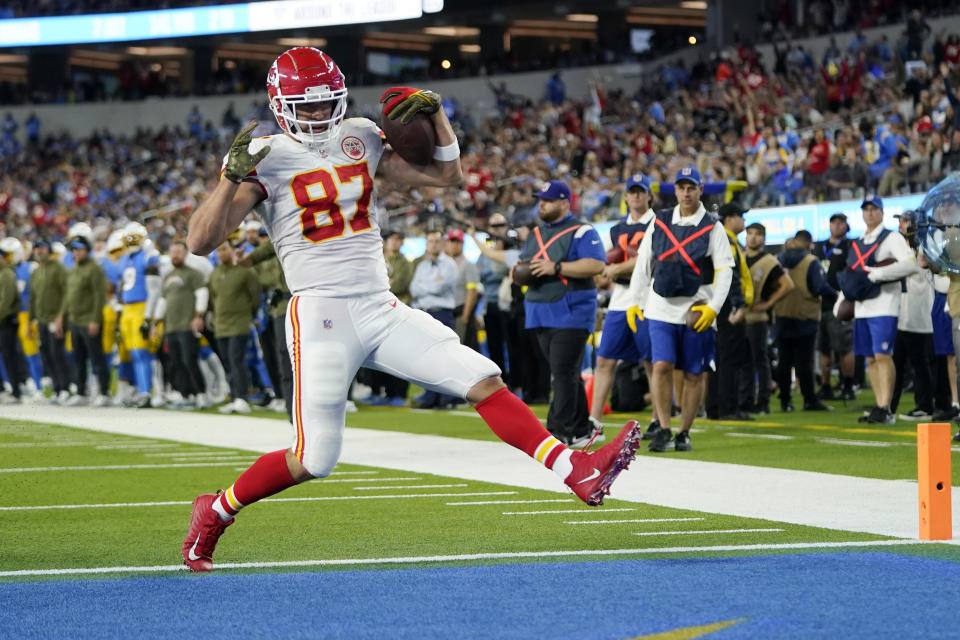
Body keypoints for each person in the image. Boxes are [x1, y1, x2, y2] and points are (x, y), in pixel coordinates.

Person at [181, 47, 642, 572]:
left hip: (380, 304)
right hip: (322, 314)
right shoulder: (265, 154)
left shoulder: (358, 133)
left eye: (325, 103)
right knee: (314, 459)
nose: (316, 114)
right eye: (304, 107)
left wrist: (438, 115)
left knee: (481, 377)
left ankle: (575, 470)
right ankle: (215, 511)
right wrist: (227, 179)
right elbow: (200, 241)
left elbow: (446, 177)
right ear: (280, 104)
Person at [626, 166, 734, 452]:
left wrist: (714, 308)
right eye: (681, 187)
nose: (686, 193)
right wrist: (634, 302)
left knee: (694, 373)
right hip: (660, 307)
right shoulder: (660, 221)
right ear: (675, 191)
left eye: (692, 187)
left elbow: (725, 270)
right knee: (661, 366)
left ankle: (684, 430)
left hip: (696, 307)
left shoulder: (714, 226)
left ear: (700, 190)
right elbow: (644, 263)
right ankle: (663, 427)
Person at [516, 179, 606, 446]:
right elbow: (524, 263)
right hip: (539, 309)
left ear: (565, 203)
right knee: (567, 371)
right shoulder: (535, 234)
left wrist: (556, 268)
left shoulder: (582, 231)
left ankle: (557, 430)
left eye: (548, 200)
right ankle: (580, 428)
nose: (541, 205)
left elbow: (596, 264)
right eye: (540, 200)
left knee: (562, 371)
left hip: (572, 309)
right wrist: (518, 272)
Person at [835, 196, 918, 424]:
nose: (870, 213)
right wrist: (841, 300)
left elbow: (910, 264)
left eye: (874, 209)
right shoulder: (858, 241)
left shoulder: (891, 237)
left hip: (884, 304)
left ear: (881, 212)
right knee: (870, 358)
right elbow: (854, 274)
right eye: (866, 209)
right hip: (862, 306)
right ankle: (879, 405)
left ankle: (886, 407)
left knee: (882, 355)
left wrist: (879, 274)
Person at [590, 174, 657, 435]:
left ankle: (657, 419)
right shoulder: (617, 229)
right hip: (620, 299)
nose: (637, 196)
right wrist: (608, 270)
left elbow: (644, 259)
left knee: (652, 362)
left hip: (648, 299)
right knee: (605, 359)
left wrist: (612, 268)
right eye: (632, 191)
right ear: (626, 196)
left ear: (649, 195)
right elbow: (601, 263)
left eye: (641, 191)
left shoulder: (658, 223)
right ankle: (594, 421)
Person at [774, 231, 836, 413]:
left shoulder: (778, 259)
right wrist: (837, 295)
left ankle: (785, 400)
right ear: (809, 244)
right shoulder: (811, 261)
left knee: (784, 361)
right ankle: (809, 400)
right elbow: (819, 286)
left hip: (782, 313)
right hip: (805, 315)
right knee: (804, 361)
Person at [707, 201, 754, 421]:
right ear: (729, 219)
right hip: (727, 305)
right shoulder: (726, 240)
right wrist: (738, 304)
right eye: (740, 216)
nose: (743, 220)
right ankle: (728, 408)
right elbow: (731, 276)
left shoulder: (726, 239)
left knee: (720, 357)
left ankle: (716, 406)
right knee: (729, 359)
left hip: (718, 303)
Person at [889, 211, 936, 420]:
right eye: (900, 221)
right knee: (896, 363)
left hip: (918, 313)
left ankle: (925, 406)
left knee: (919, 363)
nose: (901, 224)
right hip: (903, 312)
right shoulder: (901, 245)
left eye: (905, 221)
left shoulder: (925, 245)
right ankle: (887, 406)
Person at [742, 222, 793, 414]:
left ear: (764, 238)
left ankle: (763, 401)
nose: (753, 237)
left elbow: (787, 285)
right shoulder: (741, 256)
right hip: (742, 317)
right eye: (750, 233)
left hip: (758, 317)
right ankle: (745, 400)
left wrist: (768, 303)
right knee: (745, 361)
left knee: (760, 360)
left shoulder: (769, 261)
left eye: (757, 234)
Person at [208, 240, 261, 414]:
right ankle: (234, 397)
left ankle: (242, 398)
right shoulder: (215, 273)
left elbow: (255, 296)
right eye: (218, 250)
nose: (221, 253)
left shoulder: (244, 271)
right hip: (220, 325)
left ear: (232, 250)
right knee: (227, 363)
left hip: (239, 323)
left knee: (236, 360)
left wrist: (248, 315)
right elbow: (213, 298)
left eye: (224, 249)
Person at [409, 229, 460, 409]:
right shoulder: (422, 265)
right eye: (430, 241)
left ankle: (446, 398)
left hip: (441, 312)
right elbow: (413, 288)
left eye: (437, 241)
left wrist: (425, 286)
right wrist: (430, 285)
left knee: (443, 356)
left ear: (443, 243)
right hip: (423, 311)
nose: (433, 245)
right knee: (426, 356)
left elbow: (439, 289)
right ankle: (430, 397)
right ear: (426, 244)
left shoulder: (449, 264)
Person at [157, 240, 209, 410]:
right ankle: (186, 395)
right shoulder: (167, 276)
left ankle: (201, 394)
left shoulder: (193, 274)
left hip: (187, 325)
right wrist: (155, 322)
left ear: (185, 253)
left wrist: (199, 315)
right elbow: (163, 301)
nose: (175, 255)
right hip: (171, 327)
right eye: (172, 252)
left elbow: (202, 293)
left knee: (189, 360)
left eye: (178, 251)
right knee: (176, 363)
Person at [58, 236, 109, 406]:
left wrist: (95, 320)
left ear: (87, 250)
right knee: (78, 358)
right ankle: (81, 392)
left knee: (96, 358)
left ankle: (104, 392)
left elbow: (98, 296)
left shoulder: (94, 268)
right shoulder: (73, 270)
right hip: (74, 320)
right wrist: (61, 317)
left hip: (88, 319)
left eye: (79, 249)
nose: (76, 253)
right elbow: (67, 297)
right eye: (74, 250)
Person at [116, 222, 162, 408]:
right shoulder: (123, 260)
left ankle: (148, 392)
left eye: (134, 238)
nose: (131, 242)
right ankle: (140, 391)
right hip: (127, 309)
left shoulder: (149, 256)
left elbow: (155, 290)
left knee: (143, 353)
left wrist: (148, 317)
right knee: (133, 354)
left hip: (142, 308)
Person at [815, 213, 857, 402]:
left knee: (844, 348)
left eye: (841, 222)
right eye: (834, 222)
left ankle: (848, 384)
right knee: (824, 348)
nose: (837, 225)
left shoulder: (850, 246)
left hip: (839, 304)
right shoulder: (819, 247)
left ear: (846, 226)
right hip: (819, 304)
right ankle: (825, 385)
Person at [29, 239, 71, 404]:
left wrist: (61, 317)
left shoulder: (59, 268)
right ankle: (56, 388)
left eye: (42, 248)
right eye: (37, 249)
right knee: (46, 355)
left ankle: (65, 388)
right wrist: (29, 322)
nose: (39, 251)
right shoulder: (36, 272)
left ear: (49, 250)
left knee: (57, 354)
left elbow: (67, 294)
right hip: (42, 320)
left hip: (56, 319)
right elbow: (33, 299)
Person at [445, 229, 480, 351]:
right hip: (447, 312)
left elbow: (472, 292)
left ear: (462, 244)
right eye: (452, 242)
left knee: (462, 348)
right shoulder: (445, 263)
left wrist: (465, 316)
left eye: (457, 242)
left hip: (460, 312)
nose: (454, 245)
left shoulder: (467, 264)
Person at [0, 238, 24, 404]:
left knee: (10, 356)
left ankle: (16, 391)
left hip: (6, 321)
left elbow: (6, 301)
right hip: (3, 320)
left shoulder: (7, 273)